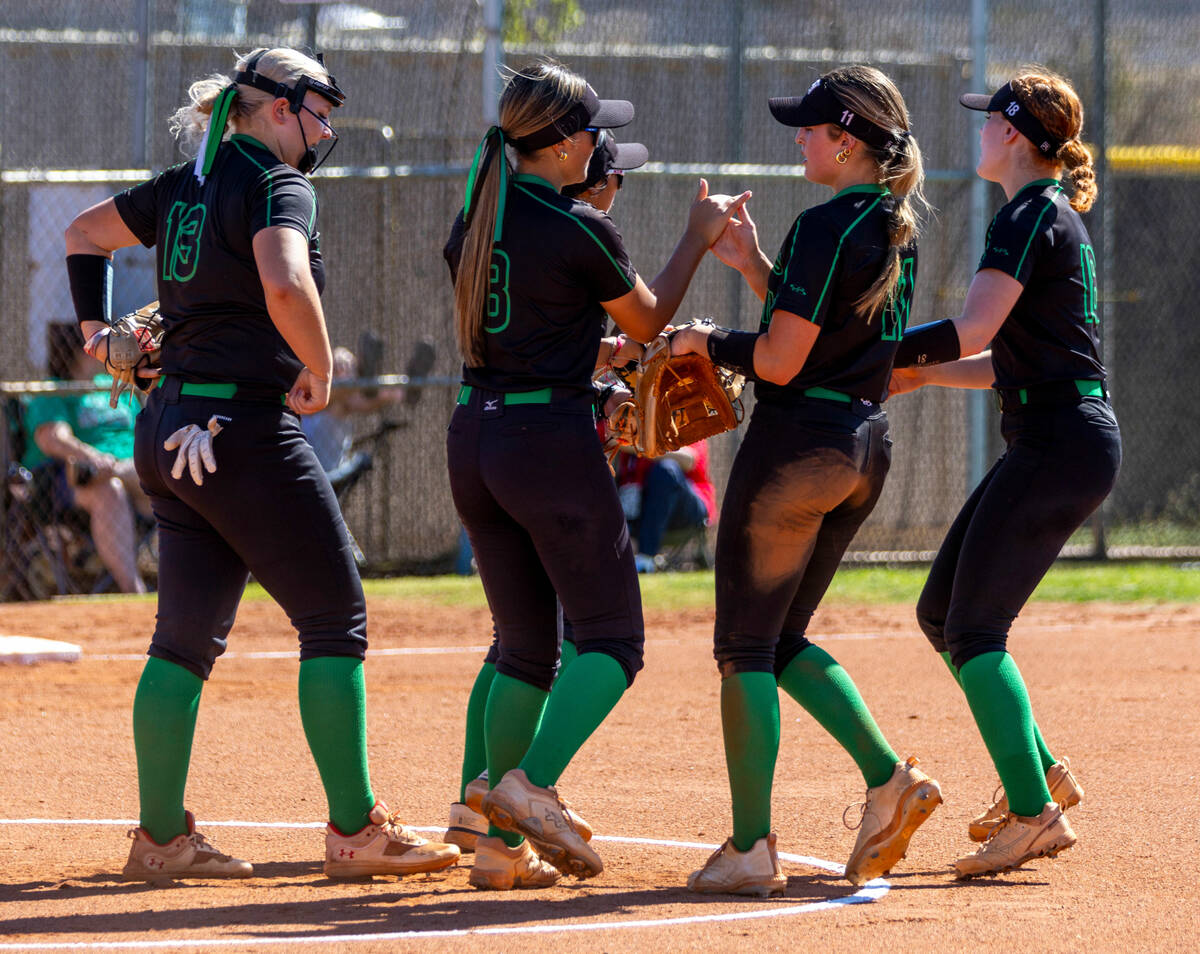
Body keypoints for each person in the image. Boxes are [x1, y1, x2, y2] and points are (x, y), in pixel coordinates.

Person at [62, 46, 458, 881]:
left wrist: (98, 337)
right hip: (241, 432)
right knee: (334, 618)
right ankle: (356, 831)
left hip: (167, 427)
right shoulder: (279, 183)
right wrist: (314, 364)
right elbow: (283, 281)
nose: (328, 125)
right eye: (320, 107)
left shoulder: (183, 182)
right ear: (277, 107)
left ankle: (161, 839)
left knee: (183, 641)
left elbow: (83, 235)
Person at [444, 59, 748, 891]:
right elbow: (649, 320)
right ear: (556, 141)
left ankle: (498, 849)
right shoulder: (573, 223)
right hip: (547, 440)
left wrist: (588, 357)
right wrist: (699, 234)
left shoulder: (483, 211)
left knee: (525, 650)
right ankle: (527, 787)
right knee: (611, 641)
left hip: (476, 434)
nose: (592, 141)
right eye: (584, 129)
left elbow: (539, 325)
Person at [671, 65, 940, 896]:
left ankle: (751, 846)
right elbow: (823, 338)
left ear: (849, 140)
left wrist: (704, 342)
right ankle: (889, 781)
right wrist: (754, 265)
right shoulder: (894, 224)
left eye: (813, 128)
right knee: (781, 640)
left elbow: (783, 360)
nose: (800, 138)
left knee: (745, 649)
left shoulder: (827, 223)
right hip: (862, 448)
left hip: (796, 449)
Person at [888, 68, 1121, 878]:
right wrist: (920, 375)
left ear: (1014, 135)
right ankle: (1043, 772)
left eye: (991, 120)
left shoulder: (1026, 214)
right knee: (940, 611)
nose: (981, 130)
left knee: (975, 630)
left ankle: (1034, 814)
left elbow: (974, 325)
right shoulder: (1045, 213)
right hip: (1057, 432)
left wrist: (883, 352)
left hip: (1060, 440)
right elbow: (1004, 360)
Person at [21, 323, 150, 594]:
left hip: (130, 472)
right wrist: (95, 458)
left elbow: (145, 430)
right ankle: (133, 589)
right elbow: (53, 437)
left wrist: (115, 466)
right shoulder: (55, 389)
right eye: (99, 345)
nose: (108, 351)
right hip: (67, 483)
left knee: (171, 480)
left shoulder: (115, 384)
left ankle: (192, 582)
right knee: (107, 489)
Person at [614, 439, 715, 573]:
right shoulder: (624, 424)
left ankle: (646, 559)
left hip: (685, 512)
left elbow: (689, 459)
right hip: (637, 507)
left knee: (666, 470)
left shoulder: (682, 420)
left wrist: (634, 446)